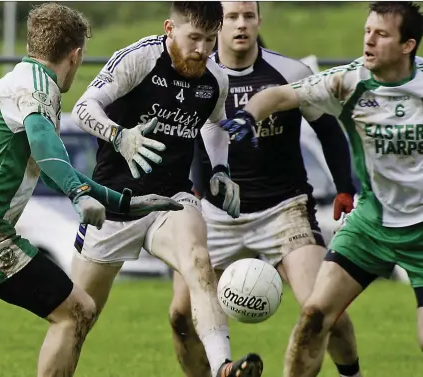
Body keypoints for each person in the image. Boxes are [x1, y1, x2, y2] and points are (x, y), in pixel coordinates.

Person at [0, 3, 182, 376]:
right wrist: (78, 195)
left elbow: (54, 169)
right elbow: (44, 142)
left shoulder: (20, 79)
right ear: (76, 54)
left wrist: (122, 202)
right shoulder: (37, 89)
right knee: (77, 311)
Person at [220, 2, 423, 375]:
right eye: (367, 31)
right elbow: (280, 95)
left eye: (382, 34)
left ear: (408, 45)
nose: (369, 41)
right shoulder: (349, 80)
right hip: (371, 225)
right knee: (314, 315)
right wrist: (248, 114)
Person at [70, 2, 263, 377]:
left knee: (199, 261)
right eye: (194, 38)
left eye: (210, 39)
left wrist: (220, 170)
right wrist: (118, 135)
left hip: (171, 199)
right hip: (115, 202)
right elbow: (83, 106)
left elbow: (212, 123)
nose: (203, 49)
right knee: (77, 319)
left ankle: (222, 366)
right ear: (169, 29)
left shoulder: (214, 78)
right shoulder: (139, 59)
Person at [171, 2, 363, 377]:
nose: (240, 24)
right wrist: (194, 187)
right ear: (217, 23)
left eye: (248, 15)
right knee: (180, 314)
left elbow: (329, 131)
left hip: (283, 208)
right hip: (214, 213)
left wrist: (344, 187)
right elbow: (192, 135)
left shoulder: (291, 72)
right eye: (231, 17)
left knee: (322, 309)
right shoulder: (197, 73)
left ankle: (352, 373)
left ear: (259, 19)